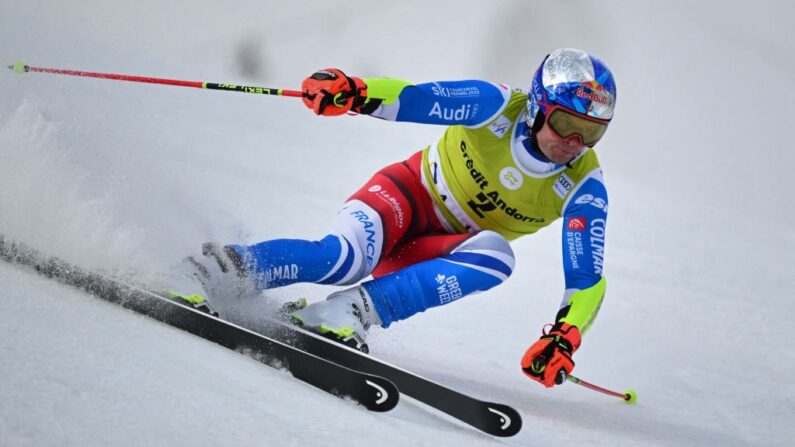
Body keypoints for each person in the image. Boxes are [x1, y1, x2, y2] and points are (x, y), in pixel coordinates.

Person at [193, 48, 616, 389]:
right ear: (540, 107)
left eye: (591, 131)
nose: (574, 142)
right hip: (404, 198)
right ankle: (214, 268)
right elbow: (418, 98)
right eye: (565, 124)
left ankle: (347, 313)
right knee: (344, 260)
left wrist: (564, 337)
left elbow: (586, 280)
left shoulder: (584, 187)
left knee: (497, 256)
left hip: (432, 250)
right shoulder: (498, 107)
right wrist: (354, 91)